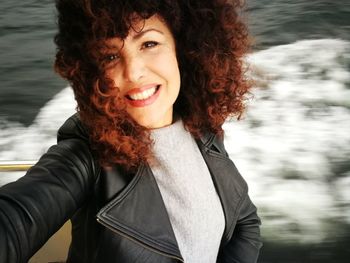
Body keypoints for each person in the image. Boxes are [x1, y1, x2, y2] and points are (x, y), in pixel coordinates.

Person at [0, 0, 262, 262]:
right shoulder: (87, 154)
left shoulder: (202, 129)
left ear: (182, 48)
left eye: (149, 44)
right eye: (110, 56)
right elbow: (16, 220)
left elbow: (245, 221)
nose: (134, 72)